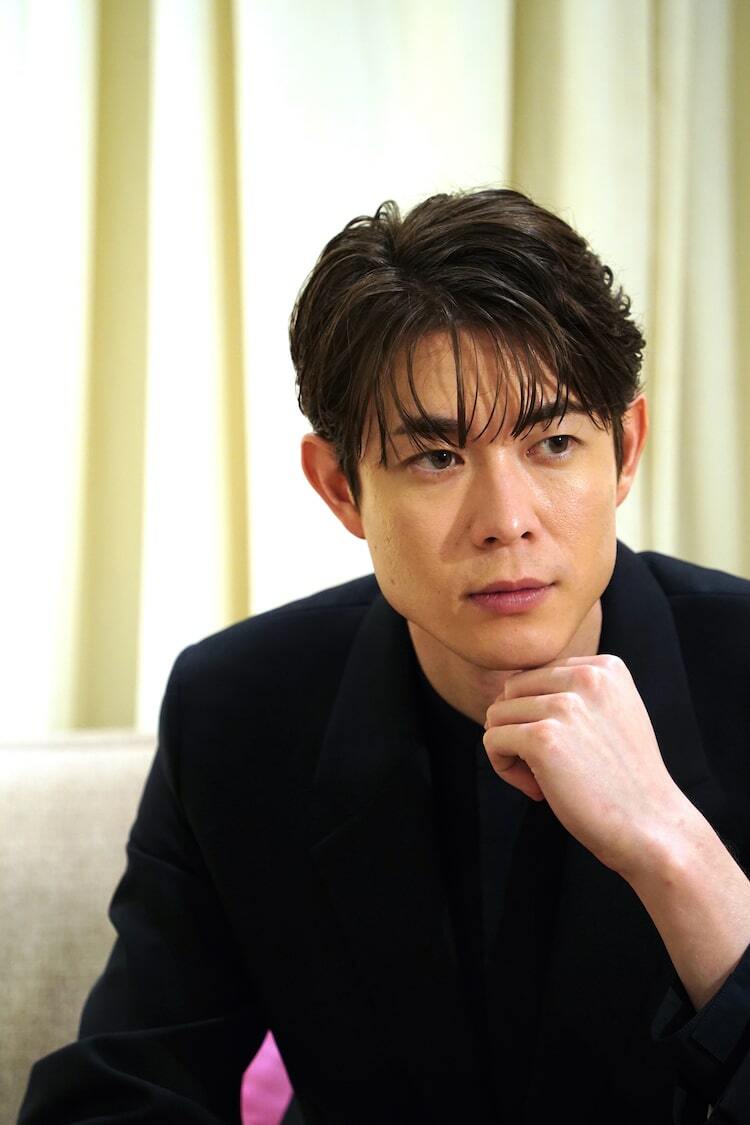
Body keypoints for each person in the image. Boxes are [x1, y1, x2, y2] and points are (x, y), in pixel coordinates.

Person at [18, 189, 750, 1124]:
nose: (507, 520)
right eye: (437, 458)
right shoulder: (240, 708)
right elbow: (121, 1086)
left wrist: (674, 848)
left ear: (626, 450)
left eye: (555, 442)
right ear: (341, 487)